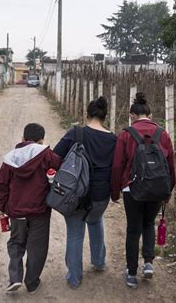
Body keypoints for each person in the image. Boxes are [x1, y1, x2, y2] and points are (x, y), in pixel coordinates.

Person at [110, 92, 176, 289]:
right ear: (151, 115)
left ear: (132, 116)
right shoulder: (163, 134)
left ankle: (131, 273)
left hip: (133, 188)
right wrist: (168, 192)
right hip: (157, 188)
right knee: (149, 224)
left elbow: (117, 166)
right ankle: (148, 263)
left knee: (133, 229)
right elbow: (170, 165)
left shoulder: (126, 134)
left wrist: (115, 191)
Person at [53, 96, 117, 289]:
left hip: (76, 196)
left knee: (75, 233)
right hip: (101, 196)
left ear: (86, 114)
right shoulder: (113, 138)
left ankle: (74, 278)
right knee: (96, 221)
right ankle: (98, 262)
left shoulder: (76, 133)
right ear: (105, 117)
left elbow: (56, 157)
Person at [0, 123, 62, 294]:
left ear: (23, 139)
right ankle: (32, 283)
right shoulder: (46, 154)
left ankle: (15, 277)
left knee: (16, 243)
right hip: (39, 211)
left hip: (16, 211)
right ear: (41, 140)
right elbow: (60, 166)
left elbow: (1, 184)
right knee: (37, 247)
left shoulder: (11, 158)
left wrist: (3, 206)